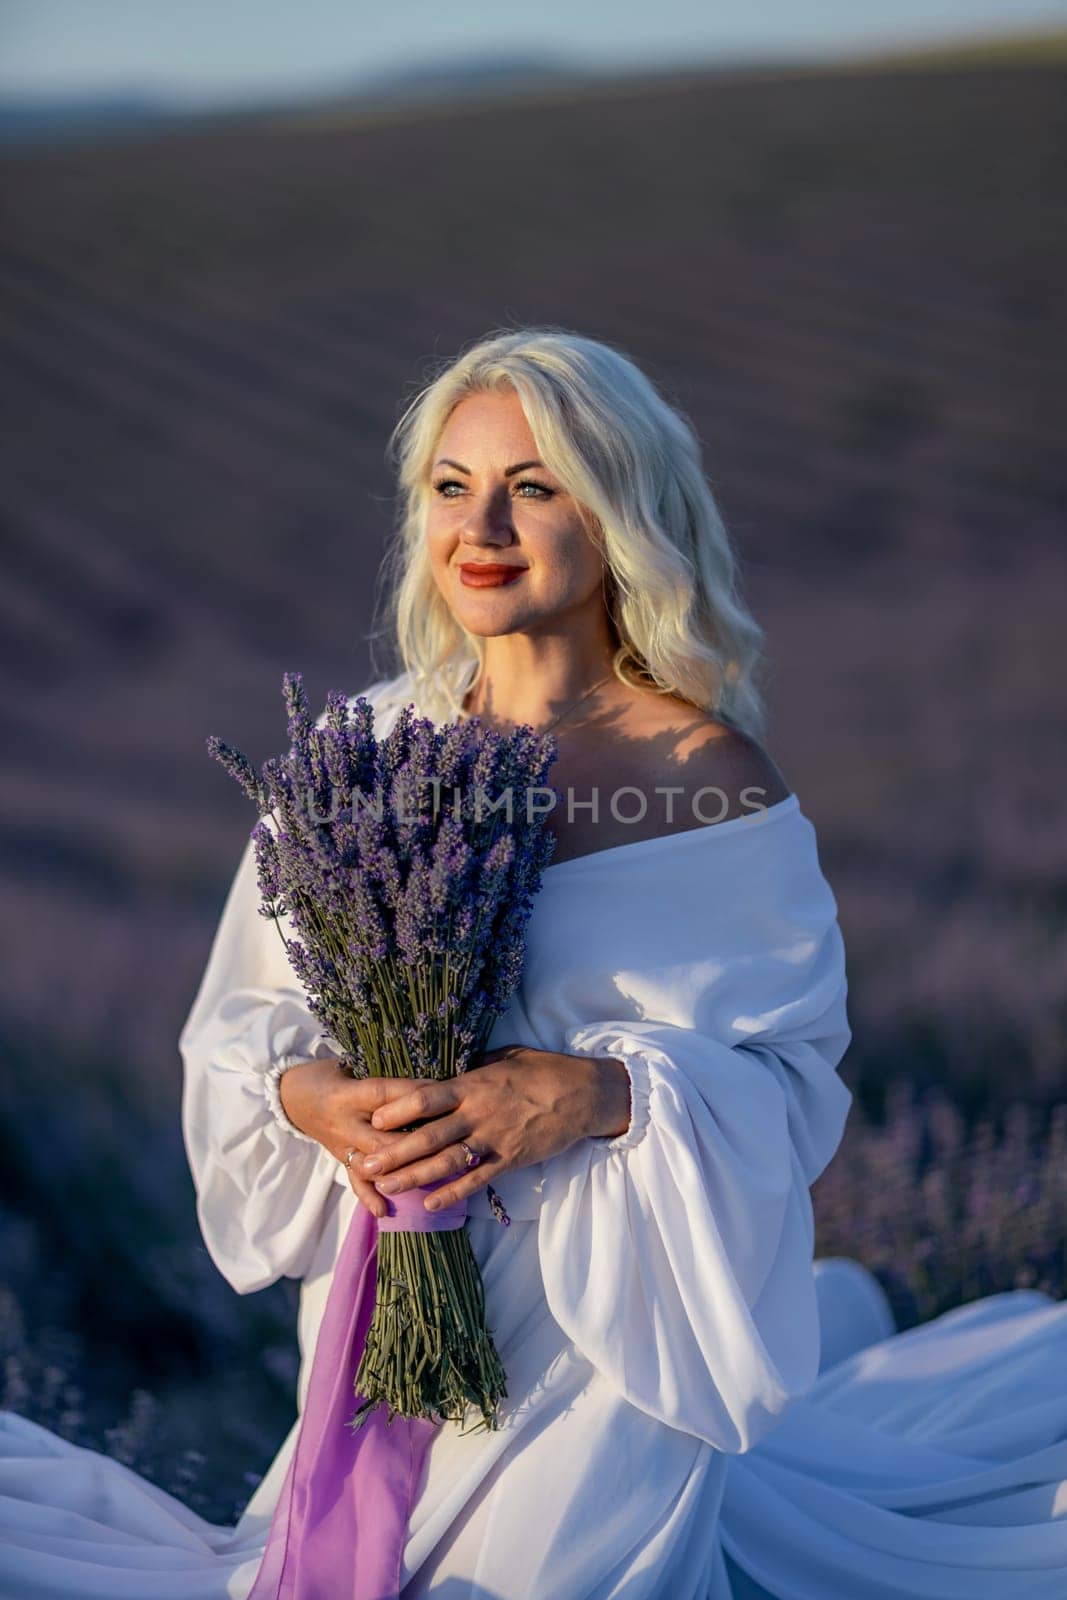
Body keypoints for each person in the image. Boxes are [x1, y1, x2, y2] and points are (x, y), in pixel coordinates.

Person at [2, 326, 1066, 1598]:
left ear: (617, 510)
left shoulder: (705, 783)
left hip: (604, 1329)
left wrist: (587, 1094)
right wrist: (316, 1101)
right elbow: (237, 1033)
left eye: (535, 483)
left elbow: (790, 1086)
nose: (481, 525)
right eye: (450, 487)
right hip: (392, 1293)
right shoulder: (362, 749)